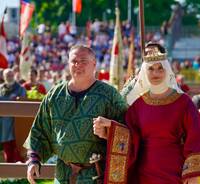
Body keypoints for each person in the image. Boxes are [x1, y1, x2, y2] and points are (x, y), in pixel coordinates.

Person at [93, 43, 200, 184]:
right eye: (151, 69)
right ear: (144, 72)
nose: (156, 73)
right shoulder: (138, 104)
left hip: (175, 170)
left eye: (160, 69)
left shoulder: (183, 101)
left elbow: (196, 137)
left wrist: (193, 175)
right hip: (144, 171)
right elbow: (131, 137)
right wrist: (110, 129)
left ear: (167, 70)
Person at [24, 44, 127, 184]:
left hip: (96, 175)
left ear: (94, 64)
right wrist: (33, 161)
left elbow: (129, 131)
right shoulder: (55, 95)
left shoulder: (109, 95)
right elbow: (40, 131)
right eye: (74, 61)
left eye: (83, 61)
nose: (78, 65)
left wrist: (109, 130)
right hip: (62, 174)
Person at [0, 68, 26, 162]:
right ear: (4, 77)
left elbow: (23, 103)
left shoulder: (20, 88)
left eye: (11, 75)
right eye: (7, 76)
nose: (10, 77)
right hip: (4, 123)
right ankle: (9, 173)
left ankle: (20, 174)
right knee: (7, 148)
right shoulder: (0, 89)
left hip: (17, 123)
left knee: (18, 147)